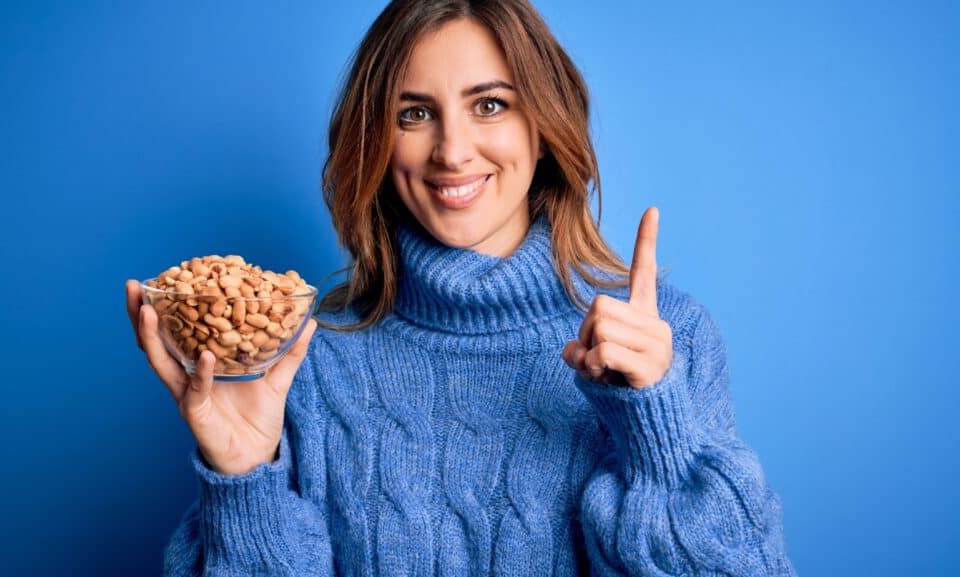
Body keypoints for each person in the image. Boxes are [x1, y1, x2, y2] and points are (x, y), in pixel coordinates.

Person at [126, 1, 797, 575]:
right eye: (414, 114)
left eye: (490, 105)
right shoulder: (307, 361)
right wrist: (245, 484)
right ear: (377, 143)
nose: (452, 150)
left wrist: (658, 432)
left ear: (543, 129)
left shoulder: (667, 342)